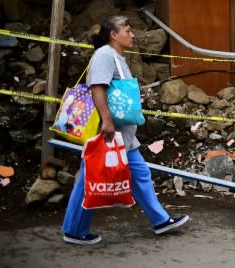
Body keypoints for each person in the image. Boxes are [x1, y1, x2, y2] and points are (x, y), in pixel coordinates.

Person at [61, 15, 189, 245]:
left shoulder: (117, 57)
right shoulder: (104, 56)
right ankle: (73, 229)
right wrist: (107, 121)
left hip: (124, 136)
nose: (132, 35)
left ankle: (160, 220)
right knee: (89, 179)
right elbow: (97, 88)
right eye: (128, 31)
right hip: (110, 132)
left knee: (140, 175)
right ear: (113, 34)